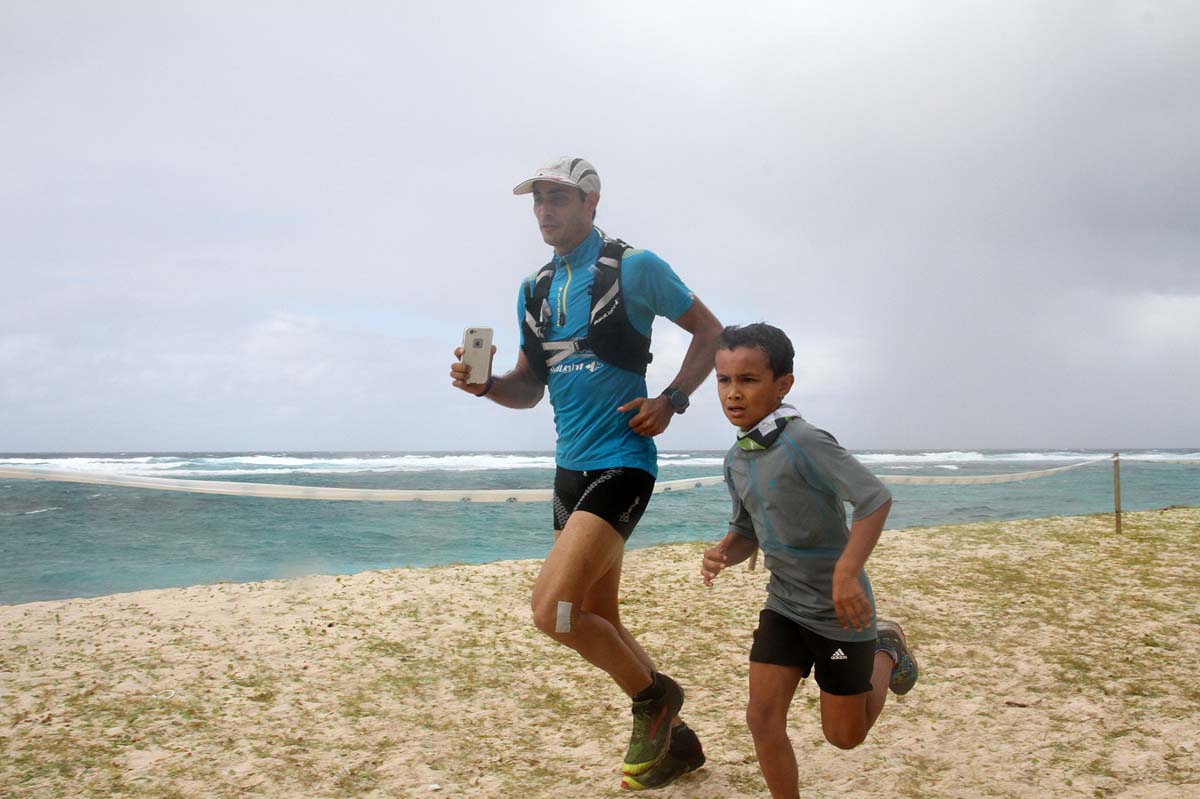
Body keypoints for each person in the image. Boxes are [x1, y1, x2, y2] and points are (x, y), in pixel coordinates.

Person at [449, 156, 723, 789]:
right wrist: (485, 386)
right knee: (600, 619)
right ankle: (676, 746)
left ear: (592, 204)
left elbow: (710, 332)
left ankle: (655, 699)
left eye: (558, 197)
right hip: (568, 472)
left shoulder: (636, 268)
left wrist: (672, 400)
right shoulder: (534, 288)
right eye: (538, 199)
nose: (545, 209)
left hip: (623, 464)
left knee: (555, 613)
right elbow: (529, 389)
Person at [700, 323, 918, 799]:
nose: (733, 394)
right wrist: (723, 552)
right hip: (784, 605)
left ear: (783, 385)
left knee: (845, 736)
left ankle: (887, 649)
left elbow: (874, 500)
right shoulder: (737, 458)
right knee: (760, 716)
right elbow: (746, 531)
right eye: (724, 380)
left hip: (841, 613)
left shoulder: (806, 441)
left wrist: (846, 572)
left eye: (748, 380)